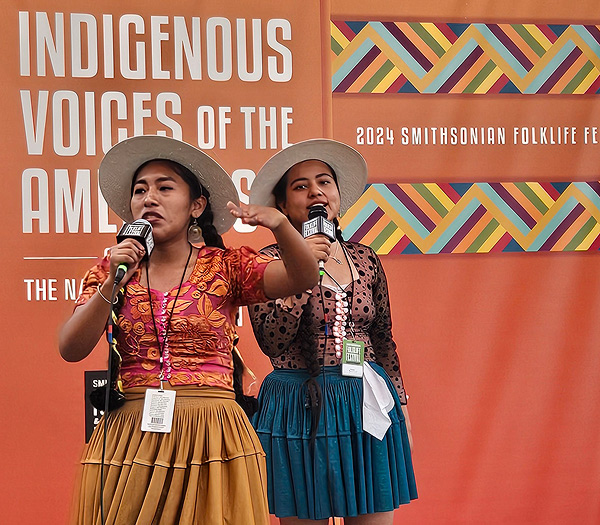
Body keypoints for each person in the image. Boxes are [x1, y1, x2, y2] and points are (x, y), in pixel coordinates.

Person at [59, 135, 319, 525]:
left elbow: (303, 276)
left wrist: (280, 225)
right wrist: (113, 281)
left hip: (212, 431)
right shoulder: (111, 269)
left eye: (165, 188)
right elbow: (71, 347)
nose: (149, 198)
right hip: (132, 432)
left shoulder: (225, 265)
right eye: (140, 190)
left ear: (196, 205)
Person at [247, 139, 417, 524]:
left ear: (338, 196)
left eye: (324, 182)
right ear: (283, 205)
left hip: (365, 398)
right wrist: (304, 268)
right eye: (300, 186)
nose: (315, 192)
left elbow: (383, 340)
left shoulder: (365, 257)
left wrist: (403, 411)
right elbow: (271, 340)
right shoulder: (267, 262)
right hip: (298, 401)